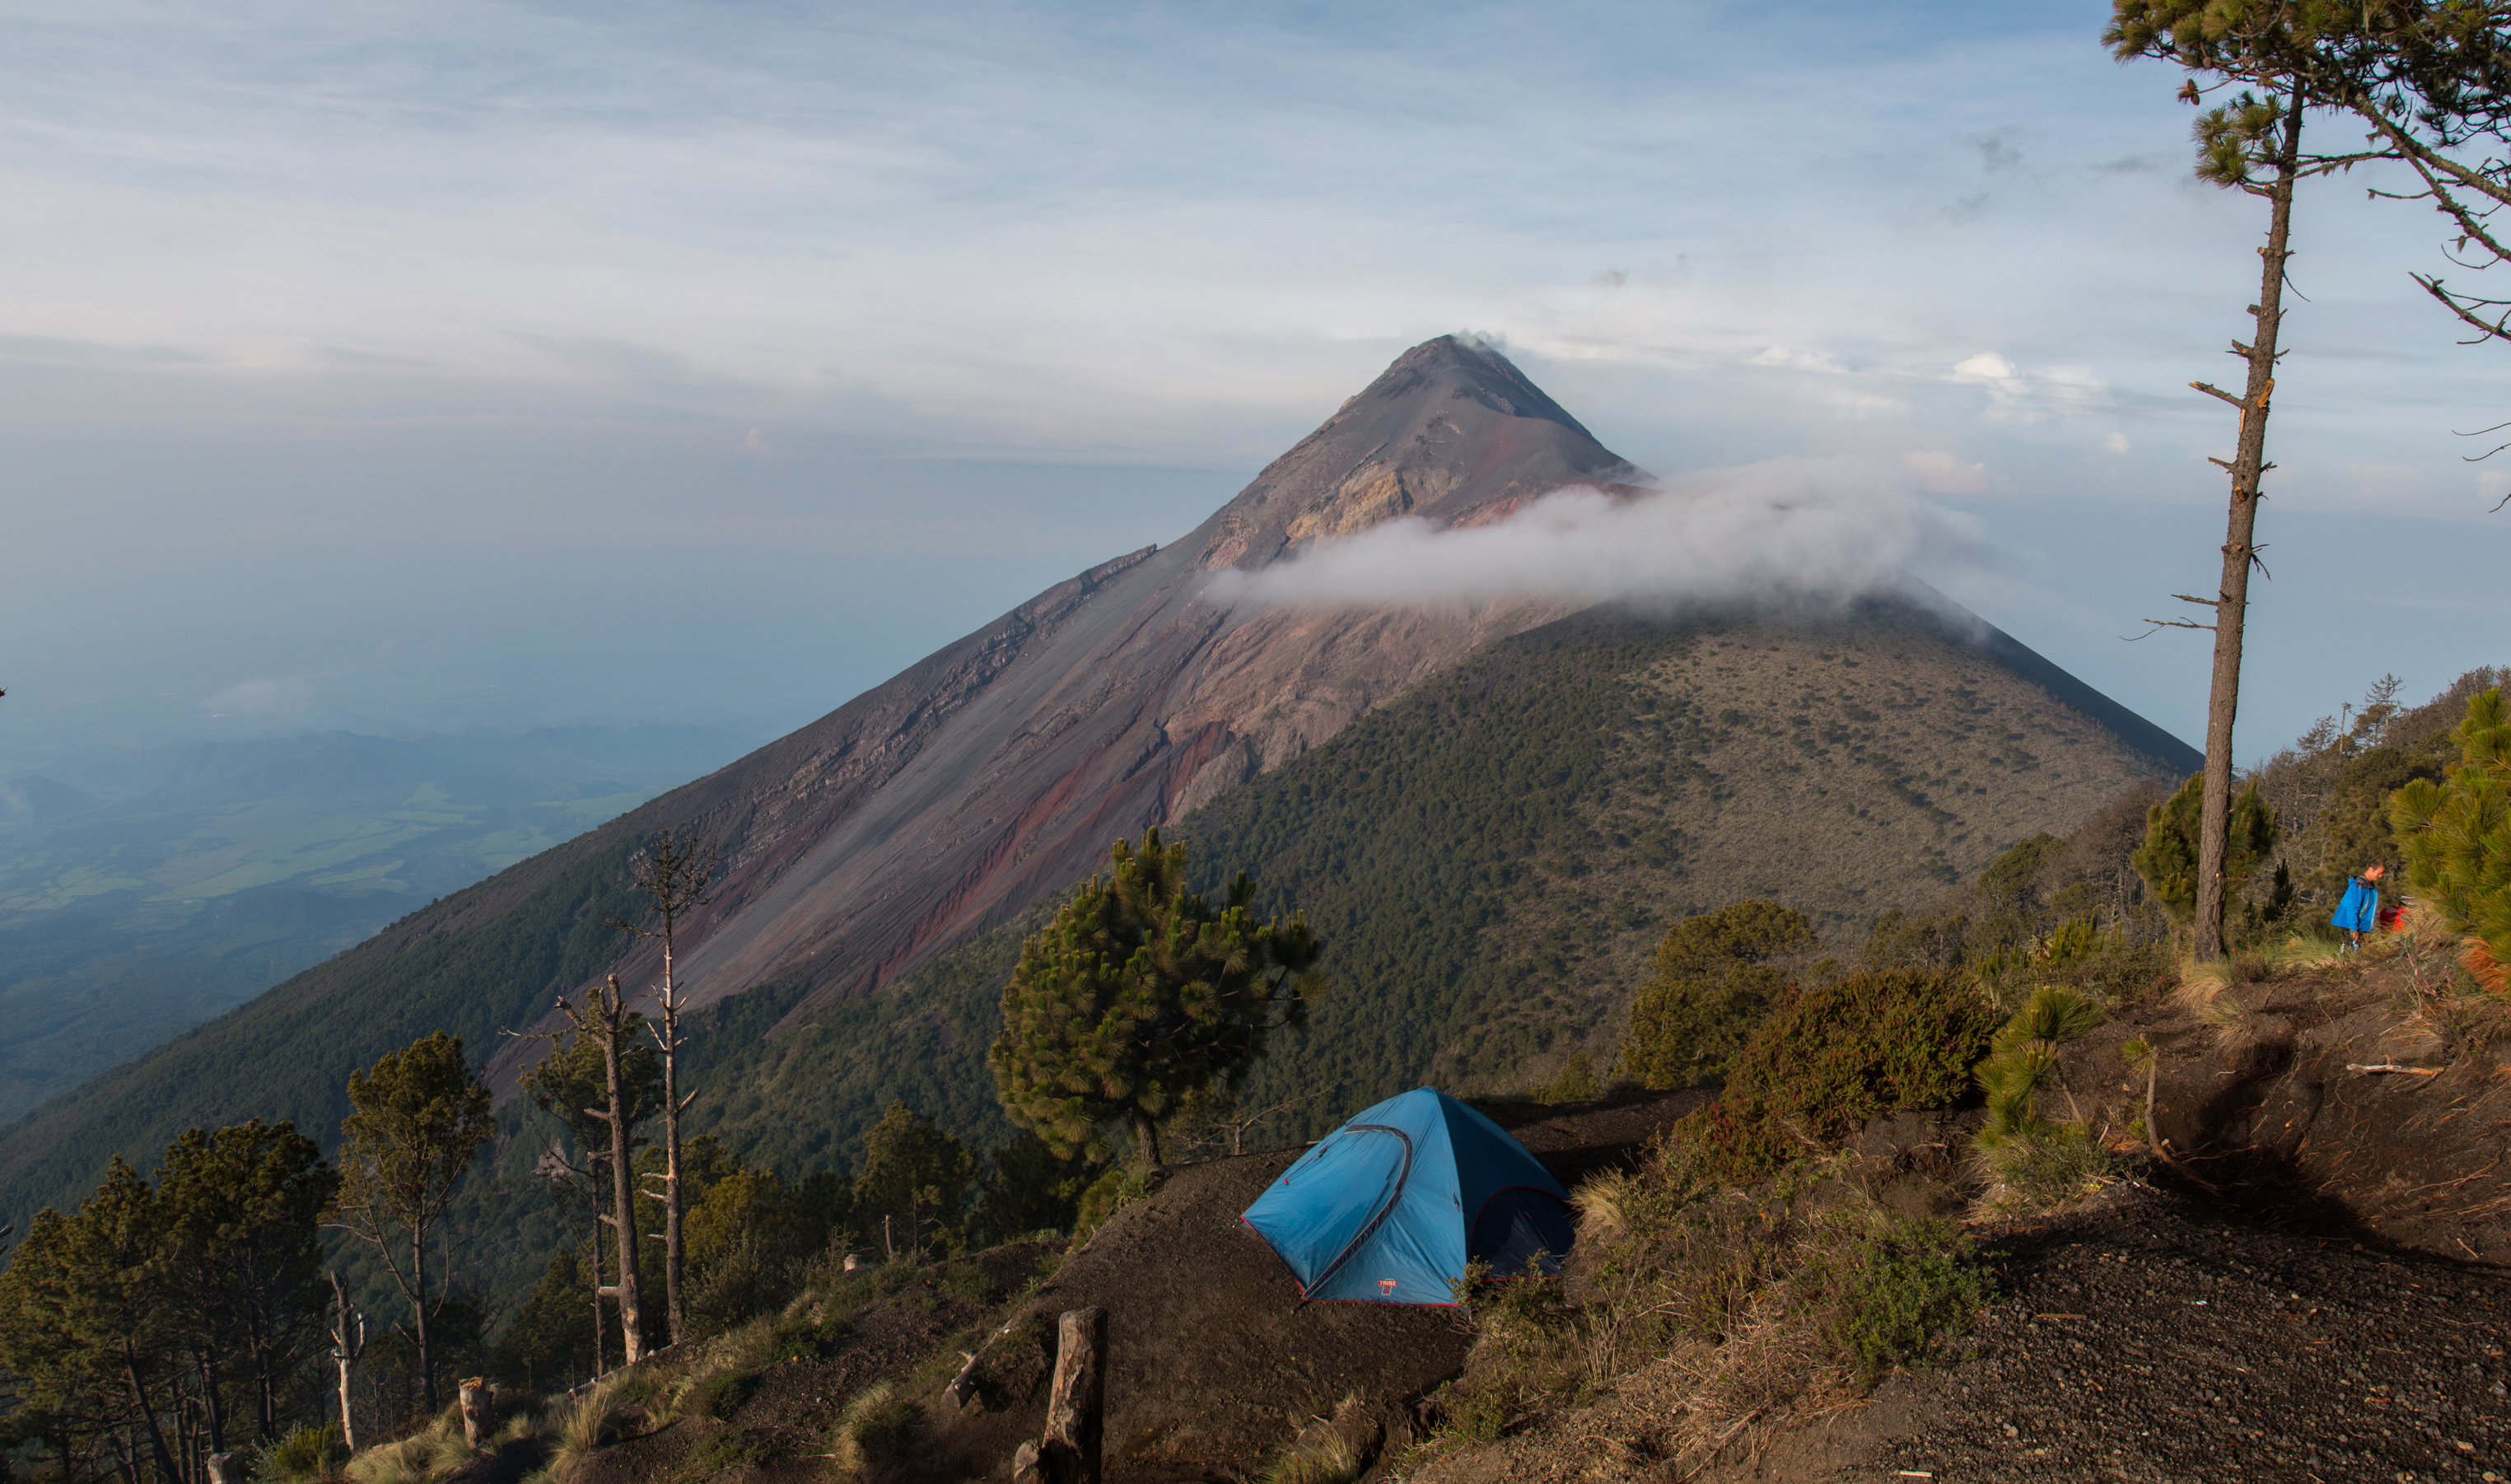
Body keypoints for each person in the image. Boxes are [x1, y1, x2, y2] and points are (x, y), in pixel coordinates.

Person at [2331, 863, 2386, 951]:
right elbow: (2352, 908)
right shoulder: (2359, 886)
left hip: (2360, 926)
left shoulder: (2369, 886)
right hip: (2352, 926)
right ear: (2371, 869)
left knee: (2358, 954)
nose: (2381, 876)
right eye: (2379, 873)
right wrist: (2353, 928)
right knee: (2349, 953)